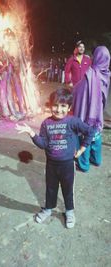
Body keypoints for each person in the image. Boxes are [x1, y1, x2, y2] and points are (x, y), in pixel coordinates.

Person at [16, 88, 96, 228]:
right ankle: (48, 209)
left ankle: (69, 212)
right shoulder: (46, 124)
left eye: (63, 106)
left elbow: (90, 132)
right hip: (51, 165)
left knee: (67, 189)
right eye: (55, 105)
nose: (59, 109)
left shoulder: (73, 121)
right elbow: (43, 144)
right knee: (51, 189)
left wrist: (82, 149)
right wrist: (31, 133)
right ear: (50, 106)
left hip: (67, 165)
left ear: (69, 107)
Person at [72, 46, 111, 172]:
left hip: (87, 113)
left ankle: (83, 165)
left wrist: (74, 89)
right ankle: (96, 160)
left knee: (85, 135)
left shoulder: (91, 73)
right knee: (96, 136)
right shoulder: (106, 74)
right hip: (98, 114)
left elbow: (80, 89)